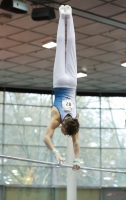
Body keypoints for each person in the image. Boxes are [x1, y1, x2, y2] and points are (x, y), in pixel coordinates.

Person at [44, 5, 80, 170]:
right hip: (59, 82)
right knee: (60, 48)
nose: (65, 135)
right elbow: (46, 138)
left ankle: (68, 15)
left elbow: (76, 144)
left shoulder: (75, 119)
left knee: (70, 48)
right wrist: (56, 153)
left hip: (72, 82)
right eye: (66, 133)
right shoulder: (57, 118)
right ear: (64, 127)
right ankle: (62, 14)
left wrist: (77, 161)